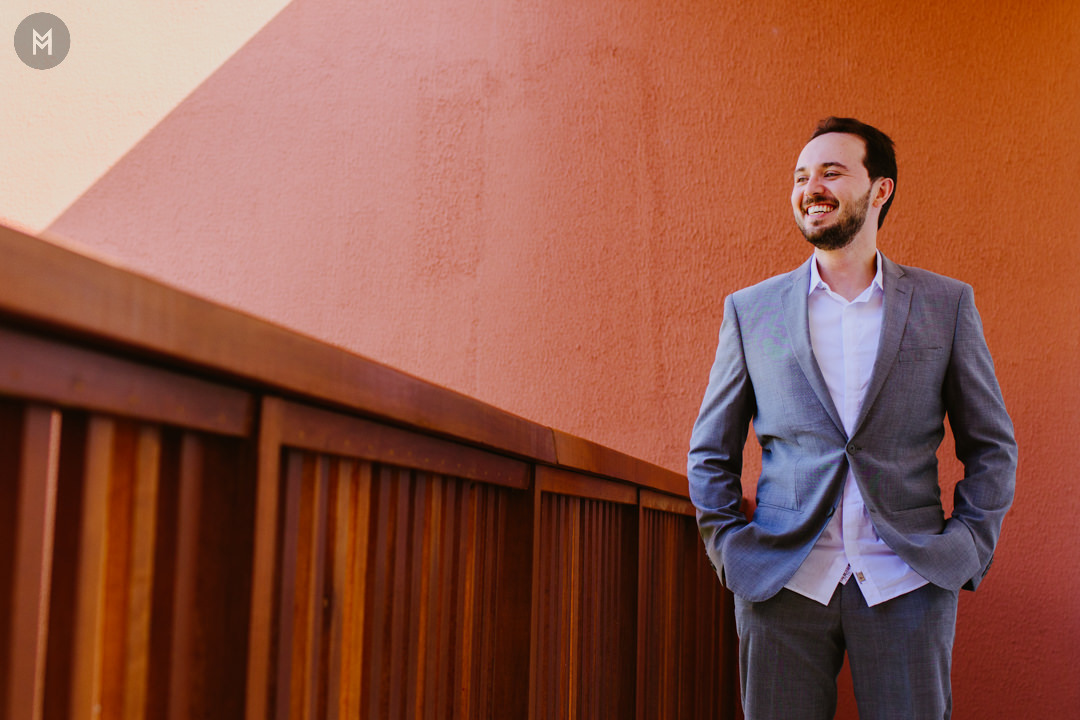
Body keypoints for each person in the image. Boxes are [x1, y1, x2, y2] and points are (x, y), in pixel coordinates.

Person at [687, 117, 1016, 719]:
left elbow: (991, 444)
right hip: (781, 582)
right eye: (801, 176)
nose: (811, 187)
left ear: (880, 189)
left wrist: (966, 547)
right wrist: (730, 548)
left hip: (908, 581)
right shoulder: (751, 310)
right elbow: (711, 449)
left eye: (832, 172)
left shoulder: (945, 305)